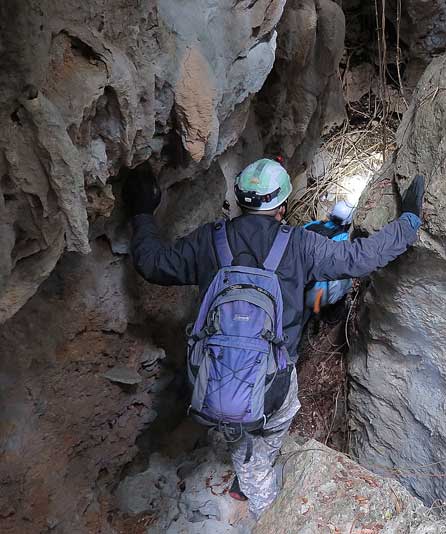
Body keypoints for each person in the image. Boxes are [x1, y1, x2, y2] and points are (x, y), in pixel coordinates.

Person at [124, 159, 425, 517]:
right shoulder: (299, 244)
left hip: (213, 373)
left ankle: (239, 448)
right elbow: (359, 259)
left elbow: (152, 263)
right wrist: (408, 221)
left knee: (240, 419)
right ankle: (258, 497)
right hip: (276, 378)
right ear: (282, 205)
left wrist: (142, 212)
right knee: (272, 425)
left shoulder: (209, 240)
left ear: (239, 201)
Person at [303, 200, 356, 320]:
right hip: (315, 293)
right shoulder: (342, 238)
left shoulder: (312, 225)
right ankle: (329, 313)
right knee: (346, 280)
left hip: (294, 277)